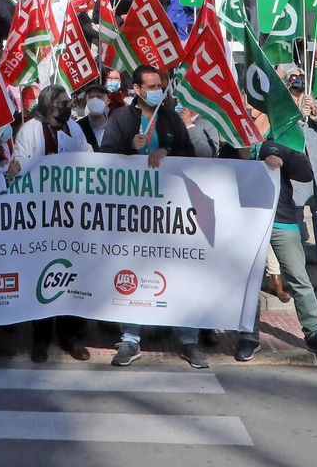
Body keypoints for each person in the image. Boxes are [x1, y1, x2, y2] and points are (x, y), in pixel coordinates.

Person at [100, 65, 203, 368]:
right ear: (137, 90)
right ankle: (130, 339)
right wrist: (129, 149)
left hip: (170, 213)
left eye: (160, 84)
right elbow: (105, 157)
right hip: (132, 214)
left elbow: (190, 155)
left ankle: (189, 339)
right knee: (129, 274)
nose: (159, 90)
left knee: (179, 272)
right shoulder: (121, 118)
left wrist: (168, 151)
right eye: (152, 85)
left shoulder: (170, 117)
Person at [235, 109, 317, 367]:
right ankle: (248, 336)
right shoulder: (236, 133)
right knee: (248, 280)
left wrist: (279, 155)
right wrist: (239, 153)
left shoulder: (283, 133)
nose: (254, 108)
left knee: (299, 279)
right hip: (246, 218)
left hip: (282, 217)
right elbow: (220, 164)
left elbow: (305, 171)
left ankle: (314, 333)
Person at [12, 85, 92, 362]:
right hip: (40, 216)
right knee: (42, 275)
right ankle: (41, 338)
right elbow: (20, 163)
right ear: (47, 106)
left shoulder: (74, 129)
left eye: (68, 103)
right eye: (61, 104)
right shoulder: (31, 130)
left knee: (71, 274)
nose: (67, 107)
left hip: (71, 215)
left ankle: (69, 336)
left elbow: (88, 154)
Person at [284, 66, 317, 279]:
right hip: (297, 163)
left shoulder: (312, 100)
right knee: (297, 210)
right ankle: (302, 256)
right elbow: (284, 127)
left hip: (316, 164)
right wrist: (299, 116)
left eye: (301, 76)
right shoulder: (285, 104)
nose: (297, 80)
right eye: (293, 77)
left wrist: (316, 112)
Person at [76, 83, 113, 151]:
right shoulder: (78, 127)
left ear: (107, 102)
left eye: (99, 97)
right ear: (86, 101)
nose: (95, 100)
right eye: (91, 97)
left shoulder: (115, 125)